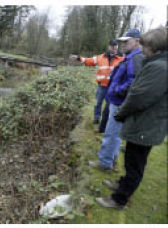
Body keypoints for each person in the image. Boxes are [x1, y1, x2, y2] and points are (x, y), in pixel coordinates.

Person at [96, 26, 167, 209]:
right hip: (144, 123)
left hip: (146, 125)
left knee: (135, 164)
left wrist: (122, 113)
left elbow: (139, 96)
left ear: (156, 47)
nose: (142, 50)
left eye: (146, 46)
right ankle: (122, 184)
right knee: (131, 158)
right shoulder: (156, 63)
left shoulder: (160, 67)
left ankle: (119, 199)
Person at [88, 29, 144, 171]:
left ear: (137, 41)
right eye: (122, 41)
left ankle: (105, 163)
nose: (123, 44)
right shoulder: (129, 56)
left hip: (119, 102)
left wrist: (117, 90)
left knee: (111, 134)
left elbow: (133, 82)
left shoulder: (135, 58)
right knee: (115, 134)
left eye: (127, 41)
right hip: (118, 101)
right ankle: (111, 161)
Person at [69, 40, 124, 133]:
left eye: (116, 48)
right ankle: (96, 118)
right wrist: (78, 58)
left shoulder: (121, 58)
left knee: (110, 105)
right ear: (109, 47)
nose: (115, 50)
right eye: (113, 47)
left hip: (113, 87)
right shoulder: (100, 57)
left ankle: (107, 122)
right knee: (98, 103)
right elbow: (88, 60)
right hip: (102, 86)